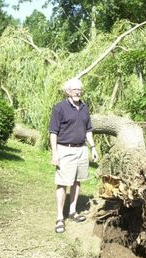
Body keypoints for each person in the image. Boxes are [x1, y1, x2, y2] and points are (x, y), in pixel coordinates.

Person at [49, 78, 99, 233]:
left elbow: (88, 130)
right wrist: (55, 153)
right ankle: (59, 217)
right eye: (75, 89)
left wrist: (93, 148)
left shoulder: (84, 107)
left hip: (81, 149)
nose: (78, 92)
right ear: (68, 91)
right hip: (65, 149)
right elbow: (53, 132)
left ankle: (72, 211)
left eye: (80, 89)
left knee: (77, 181)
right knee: (63, 183)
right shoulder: (59, 108)